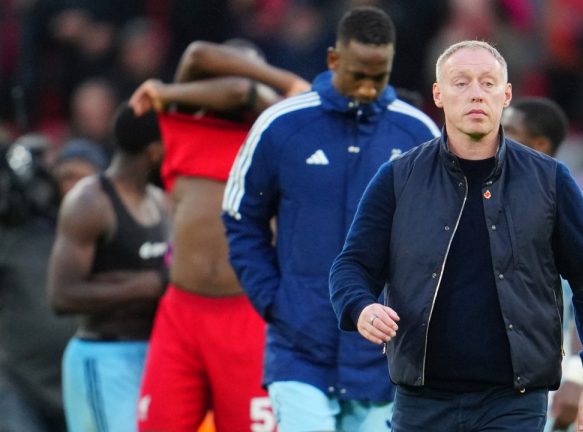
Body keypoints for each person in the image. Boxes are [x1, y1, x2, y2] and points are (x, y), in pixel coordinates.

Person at [329, 40, 583, 432]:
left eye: (487, 82)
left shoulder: (550, 180)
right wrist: (361, 306)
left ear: (506, 94)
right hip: (421, 400)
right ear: (438, 94)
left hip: (514, 402)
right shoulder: (398, 178)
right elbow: (351, 265)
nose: (476, 93)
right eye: (461, 82)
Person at [221, 6, 440, 431]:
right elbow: (240, 219)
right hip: (299, 347)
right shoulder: (281, 126)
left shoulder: (418, 135)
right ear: (333, 60)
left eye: (380, 75)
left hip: (384, 355)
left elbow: (445, 234)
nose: (369, 87)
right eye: (359, 73)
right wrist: (274, 301)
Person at [129, 40, 309, 432]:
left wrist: (279, 82)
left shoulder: (277, 130)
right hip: (181, 312)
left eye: (247, 68)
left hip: (246, 312)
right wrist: (170, 92)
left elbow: (243, 92)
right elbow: (196, 55)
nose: (236, 76)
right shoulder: (183, 118)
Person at [47, 104, 170, 432]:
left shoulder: (160, 201)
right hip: (104, 356)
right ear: (155, 151)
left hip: (152, 355)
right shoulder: (90, 202)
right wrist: (148, 284)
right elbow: (62, 295)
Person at [501, 97, 583, 432]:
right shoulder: (486, 197)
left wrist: (579, 378)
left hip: (549, 379)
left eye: (510, 130)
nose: (499, 136)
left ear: (540, 145)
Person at [0, 136, 106, 432]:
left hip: (85, 382)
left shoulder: (109, 232)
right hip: (17, 386)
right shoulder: (14, 233)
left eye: (83, 177)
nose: (74, 187)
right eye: (66, 177)